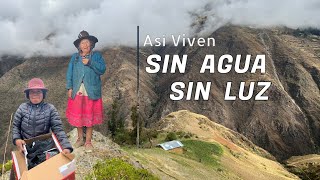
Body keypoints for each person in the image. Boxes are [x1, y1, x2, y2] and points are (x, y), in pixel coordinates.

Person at [11, 78, 73, 170]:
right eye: (32, 92)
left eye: (38, 92)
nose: (35, 94)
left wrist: (66, 147)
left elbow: (58, 129)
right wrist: (17, 139)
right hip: (26, 149)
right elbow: (16, 126)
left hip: (45, 147)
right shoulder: (22, 108)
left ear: (43, 94)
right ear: (28, 95)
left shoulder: (50, 109)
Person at [66, 30, 106, 152]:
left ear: (91, 44)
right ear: (79, 46)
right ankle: (80, 139)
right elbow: (70, 73)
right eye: (83, 43)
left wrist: (90, 63)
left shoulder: (97, 56)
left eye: (87, 42)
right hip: (78, 90)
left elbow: (102, 70)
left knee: (89, 116)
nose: (85, 45)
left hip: (91, 90)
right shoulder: (75, 57)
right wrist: (69, 87)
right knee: (79, 115)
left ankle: (88, 141)